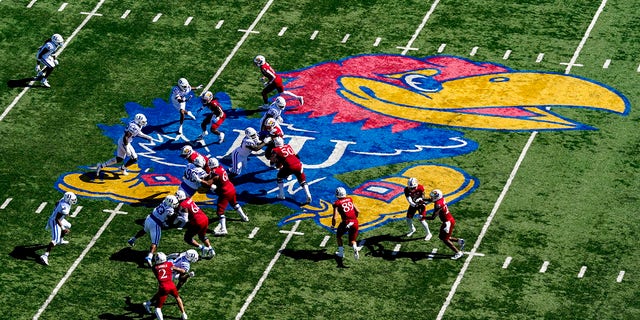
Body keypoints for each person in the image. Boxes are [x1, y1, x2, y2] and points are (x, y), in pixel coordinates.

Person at [127, 195, 179, 267]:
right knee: (155, 243)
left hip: (149, 218)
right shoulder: (170, 210)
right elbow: (172, 218)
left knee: (144, 230)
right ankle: (149, 257)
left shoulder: (164, 202)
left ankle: (132, 239)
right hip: (156, 224)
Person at [207, 158, 249, 236]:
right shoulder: (220, 168)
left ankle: (223, 229)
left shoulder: (215, 172)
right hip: (231, 188)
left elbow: (209, 182)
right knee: (234, 203)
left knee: (220, 212)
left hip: (225, 192)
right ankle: (244, 217)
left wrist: (201, 181)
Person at [142, 252, 188, 320]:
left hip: (163, 287)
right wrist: (186, 273)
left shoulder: (155, 268)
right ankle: (184, 314)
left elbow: (155, 266)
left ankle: (148, 304)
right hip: (171, 285)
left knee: (158, 308)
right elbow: (181, 271)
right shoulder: (169, 264)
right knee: (177, 297)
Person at [269, 137, 312, 205]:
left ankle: (281, 194)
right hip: (299, 164)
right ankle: (308, 194)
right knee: (302, 181)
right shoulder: (288, 146)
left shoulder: (275, 150)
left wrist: (274, 163)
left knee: (279, 177)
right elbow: (296, 156)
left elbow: (272, 161)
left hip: (289, 166)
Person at [424, 189, 465, 260]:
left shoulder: (438, 205)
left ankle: (458, 252)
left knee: (445, 239)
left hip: (447, 223)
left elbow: (433, 217)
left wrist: (423, 217)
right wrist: (422, 199)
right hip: (449, 220)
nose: (431, 198)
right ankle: (459, 241)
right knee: (442, 237)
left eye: (433, 197)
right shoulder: (441, 199)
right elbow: (432, 200)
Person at [174, 190, 215, 258]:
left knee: (187, 238)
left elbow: (185, 219)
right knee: (202, 236)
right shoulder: (188, 199)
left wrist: (177, 219)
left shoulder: (183, 205)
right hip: (205, 218)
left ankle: (202, 248)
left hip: (197, 222)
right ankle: (211, 249)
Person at [39, 191, 76, 266]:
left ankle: (61, 240)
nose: (73, 201)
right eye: (72, 199)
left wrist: (57, 209)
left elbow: (57, 203)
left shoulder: (63, 199)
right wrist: (63, 228)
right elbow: (57, 219)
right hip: (55, 221)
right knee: (55, 240)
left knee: (68, 225)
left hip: (58, 218)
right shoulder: (65, 207)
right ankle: (45, 256)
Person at [331, 187, 360, 260]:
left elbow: (334, 217)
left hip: (346, 222)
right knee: (352, 241)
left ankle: (341, 253)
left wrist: (332, 225)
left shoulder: (337, 203)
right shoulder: (350, 199)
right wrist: (354, 218)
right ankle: (355, 247)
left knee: (338, 236)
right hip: (355, 222)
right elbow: (357, 211)